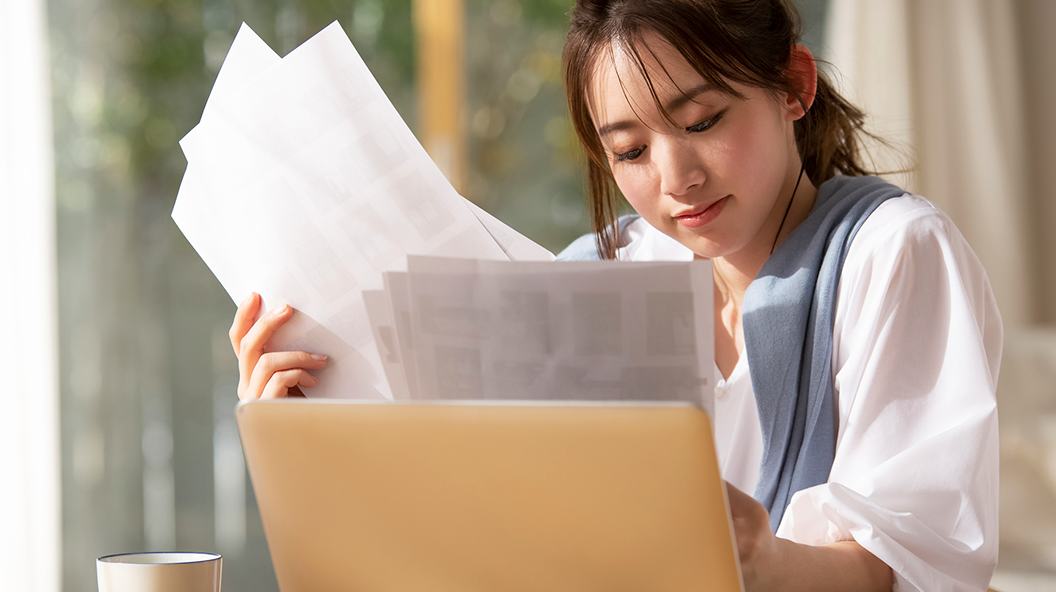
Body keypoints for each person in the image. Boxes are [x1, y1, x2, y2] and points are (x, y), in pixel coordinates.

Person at [229, 0, 1001, 590]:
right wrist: (308, 432)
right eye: (629, 150)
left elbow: (914, 561)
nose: (674, 179)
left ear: (794, 86)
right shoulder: (595, 278)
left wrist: (762, 560)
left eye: (702, 121)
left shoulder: (892, 253)